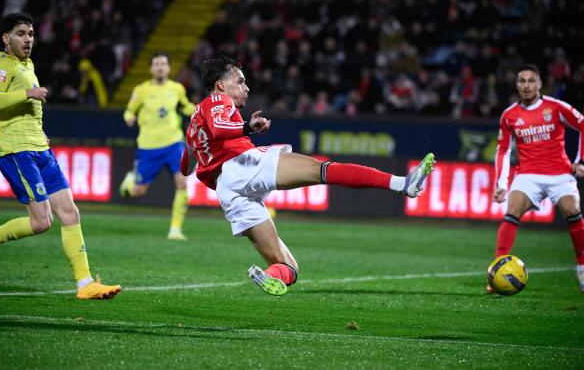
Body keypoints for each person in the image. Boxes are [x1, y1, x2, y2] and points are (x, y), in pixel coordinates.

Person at [181, 53, 436, 296]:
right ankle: (403, 183)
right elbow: (220, 129)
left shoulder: (195, 121)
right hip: (243, 166)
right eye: (240, 81)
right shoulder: (216, 100)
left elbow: (187, 166)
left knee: (289, 267)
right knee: (323, 170)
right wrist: (247, 127)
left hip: (229, 191)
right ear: (220, 85)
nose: (246, 88)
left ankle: (272, 276)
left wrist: (210, 143)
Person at [0, 12, 121, 300]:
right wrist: (28, 93)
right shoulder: (1, 66)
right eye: (21, 33)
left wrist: (40, 132)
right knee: (41, 221)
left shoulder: (28, 65)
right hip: (17, 152)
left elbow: (28, 111)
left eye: (31, 34)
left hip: (39, 149)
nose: (28, 39)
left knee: (70, 212)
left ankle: (85, 284)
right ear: (6, 38)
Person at [490, 63, 584, 293]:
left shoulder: (556, 107)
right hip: (528, 174)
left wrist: (580, 161)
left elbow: (582, 125)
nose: (526, 85)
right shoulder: (510, 115)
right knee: (512, 211)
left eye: (531, 80)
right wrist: (501, 184)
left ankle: (582, 268)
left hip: (560, 174)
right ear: (516, 85)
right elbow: (503, 150)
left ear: (540, 83)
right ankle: (496, 271)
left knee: (572, 211)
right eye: (522, 81)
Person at [119, 52, 195, 240]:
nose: (160, 67)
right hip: (148, 147)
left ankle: (175, 230)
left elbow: (185, 106)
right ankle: (130, 182)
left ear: (169, 68)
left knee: (182, 183)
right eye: (156, 64)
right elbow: (129, 110)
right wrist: (129, 118)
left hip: (173, 144)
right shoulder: (142, 90)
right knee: (139, 191)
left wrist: (197, 112)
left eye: (163, 64)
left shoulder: (177, 88)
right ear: (151, 68)